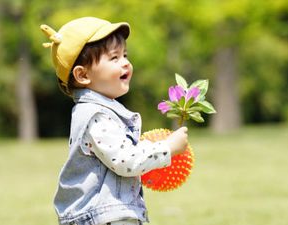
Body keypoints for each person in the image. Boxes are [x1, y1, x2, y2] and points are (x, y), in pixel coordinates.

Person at [40, 17, 188, 225]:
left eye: (125, 55)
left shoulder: (100, 111)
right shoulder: (97, 116)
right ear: (82, 75)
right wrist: (167, 148)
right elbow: (125, 160)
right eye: (114, 57)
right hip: (102, 217)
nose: (126, 62)